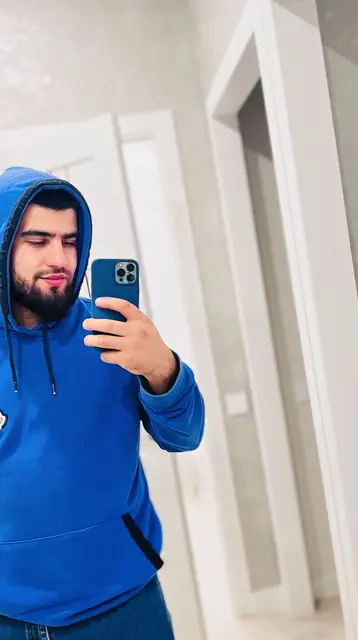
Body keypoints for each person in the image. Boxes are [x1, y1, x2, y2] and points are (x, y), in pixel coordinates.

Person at [0, 167, 205, 640]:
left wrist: (162, 368)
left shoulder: (114, 333)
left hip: (122, 605)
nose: (59, 258)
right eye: (38, 240)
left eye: (70, 241)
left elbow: (185, 436)